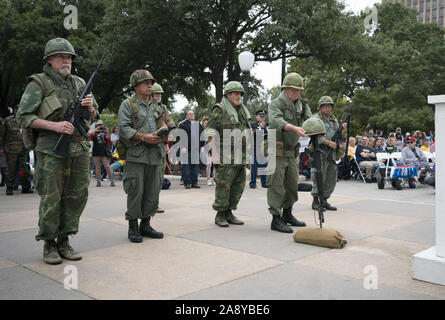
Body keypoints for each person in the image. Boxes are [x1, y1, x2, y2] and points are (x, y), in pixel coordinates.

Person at [16, 38, 99, 265]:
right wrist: (54, 126)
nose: (66, 60)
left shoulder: (80, 83)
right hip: (51, 149)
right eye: (61, 56)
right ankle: (49, 244)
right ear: (49, 60)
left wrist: (91, 107)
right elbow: (23, 116)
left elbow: (96, 117)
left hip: (79, 148)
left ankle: (64, 240)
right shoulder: (39, 83)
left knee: (76, 196)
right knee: (52, 197)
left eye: (69, 56)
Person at [117, 69, 164, 243]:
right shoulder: (128, 104)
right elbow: (123, 128)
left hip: (155, 155)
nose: (150, 86)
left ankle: (146, 224)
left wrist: (165, 133)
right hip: (137, 155)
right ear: (136, 86)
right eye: (146, 83)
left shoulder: (156, 105)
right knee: (136, 191)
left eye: (151, 83)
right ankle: (133, 227)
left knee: (152, 192)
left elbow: (164, 123)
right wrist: (144, 137)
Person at [267, 72, 311, 233]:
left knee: (292, 184)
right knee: (276, 185)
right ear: (285, 89)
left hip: (293, 152)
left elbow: (309, 119)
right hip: (277, 151)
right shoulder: (275, 103)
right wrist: (293, 127)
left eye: (299, 90)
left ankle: (287, 214)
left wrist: (315, 128)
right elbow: (275, 120)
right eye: (293, 90)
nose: (296, 93)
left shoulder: (302, 104)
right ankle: (275, 219)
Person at [205, 81, 251, 228]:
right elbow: (210, 132)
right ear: (228, 94)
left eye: (240, 94)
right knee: (223, 185)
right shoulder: (220, 109)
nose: (239, 96)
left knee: (238, 186)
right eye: (236, 93)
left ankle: (230, 212)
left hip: (241, 155)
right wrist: (215, 154)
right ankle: (220, 214)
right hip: (225, 155)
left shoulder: (242, 111)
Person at [310, 96, 344, 211]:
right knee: (319, 176)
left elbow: (337, 134)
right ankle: (315, 201)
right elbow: (313, 134)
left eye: (330, 106)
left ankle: (324, 200)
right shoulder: (315, 119)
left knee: (330, 177)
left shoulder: (333, 120)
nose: (328, 108)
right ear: (320, 107)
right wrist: (328, 142)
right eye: (325, 106)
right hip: (320, 151)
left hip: (332, 153)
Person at [152, 82, 175, 213]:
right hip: (149, 142)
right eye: (156, 93)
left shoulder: (163, 107)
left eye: (160, 94)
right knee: (150, 177)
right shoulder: (148, 107)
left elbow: (168, 120)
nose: (158, 96)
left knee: (159, 176)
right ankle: (147, 204)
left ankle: (155, 203)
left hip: (161, 144)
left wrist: (172, 127)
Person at [0, 105, 33, 195]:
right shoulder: (7, 121)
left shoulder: (25, 120)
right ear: (14, 110)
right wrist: (1, 148)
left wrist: (31, 145)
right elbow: (1, 136)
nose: (18, 111)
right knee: (11, 169)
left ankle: (25, 187)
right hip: (11, 150)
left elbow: (30, 133)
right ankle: (9, 187)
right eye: (16, 109)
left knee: (24, 168)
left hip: (24, 148)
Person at [178, 109, 204, 189]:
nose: (191, 115)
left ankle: (194, 183)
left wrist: (202, 146)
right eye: (190, 114)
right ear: (187, 116)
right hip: (186, 149)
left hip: (196, 149)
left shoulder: (198, 125)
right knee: (187, 167)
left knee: (195, 167)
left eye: (192, 114)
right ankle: (187, 183)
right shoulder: (182, 125)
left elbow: (202, 135)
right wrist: (182, 147)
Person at [91, 120, 114, 187]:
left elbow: (108, 141)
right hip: (96, 152)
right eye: (98, 125)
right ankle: (98, 181)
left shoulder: (105, 133)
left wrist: (107, 132)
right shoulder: (94, 133)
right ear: (96, 126)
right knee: (98, 167)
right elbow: (91, 138)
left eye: (101, 125)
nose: (100, 127)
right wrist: (95, 130)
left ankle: (111, 180)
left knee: (107, 166)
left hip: (104, 151)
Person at [250, 109, 268, 189]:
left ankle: (264, 183)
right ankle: (252, 183)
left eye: (263, 117)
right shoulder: (253, 125)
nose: (262, 118)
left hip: (263, 149)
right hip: (255, 148)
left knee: (264, 166)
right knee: (254, 167)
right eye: (260, 116)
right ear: (257, 117)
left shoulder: (266, 126)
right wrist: (260, 128)